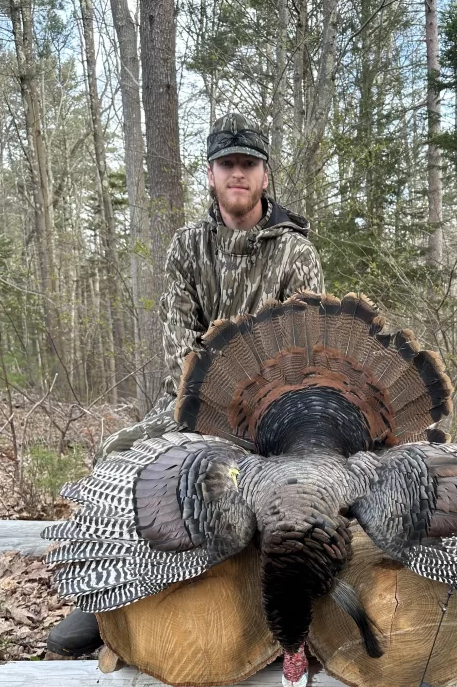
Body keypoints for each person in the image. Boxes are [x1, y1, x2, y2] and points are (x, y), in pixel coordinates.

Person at [46, 112, 324, 657]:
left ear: (265, 176)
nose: (237, 174)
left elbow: (305, 353)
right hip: (194, 402)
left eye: (248, 164)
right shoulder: (187, 247)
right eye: (227, 164)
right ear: (211, 174)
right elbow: (180, 346)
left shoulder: (297, 253)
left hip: (277, 413)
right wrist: (210, 413)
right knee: (120, 454)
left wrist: (257, 415)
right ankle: (104, 598)